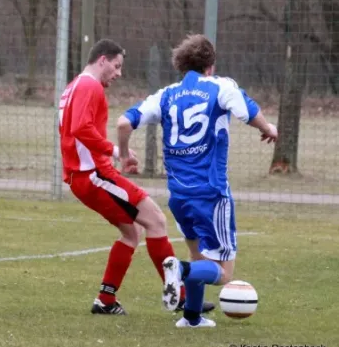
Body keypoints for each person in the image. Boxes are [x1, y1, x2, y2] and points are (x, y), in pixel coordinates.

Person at [116, 34, 278, 327]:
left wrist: (125, 154)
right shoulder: (221, 86)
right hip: (212, 194)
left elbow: (124, 122)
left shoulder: (165, 94)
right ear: (211, 65)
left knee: (198, 253)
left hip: (179, 195)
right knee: (222, 272)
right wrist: (268, 129)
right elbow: (247, 111)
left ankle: (191, 318)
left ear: (181, 65)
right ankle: (178, 269)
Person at [58, 38, 214, 315]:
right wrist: (116, 151)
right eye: (116, 66)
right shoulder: (89, 85)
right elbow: (79, 128)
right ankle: (180, 295)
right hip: (92, 175)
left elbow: (75, 130)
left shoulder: (73, 86)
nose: (118, 73)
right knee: (155, 220)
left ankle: (105, 300)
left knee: (132, 232)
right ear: (102, 60)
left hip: (83, 176)